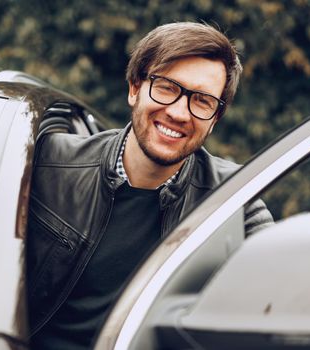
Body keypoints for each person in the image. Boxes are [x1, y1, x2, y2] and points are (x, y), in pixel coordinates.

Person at [26, 22, 273, 349]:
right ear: (134, 88)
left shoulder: (234, 200)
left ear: (215, 119)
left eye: (201, 101)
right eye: (168, 87)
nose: (179, 113)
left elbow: (278, 301)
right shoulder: (48, 165)